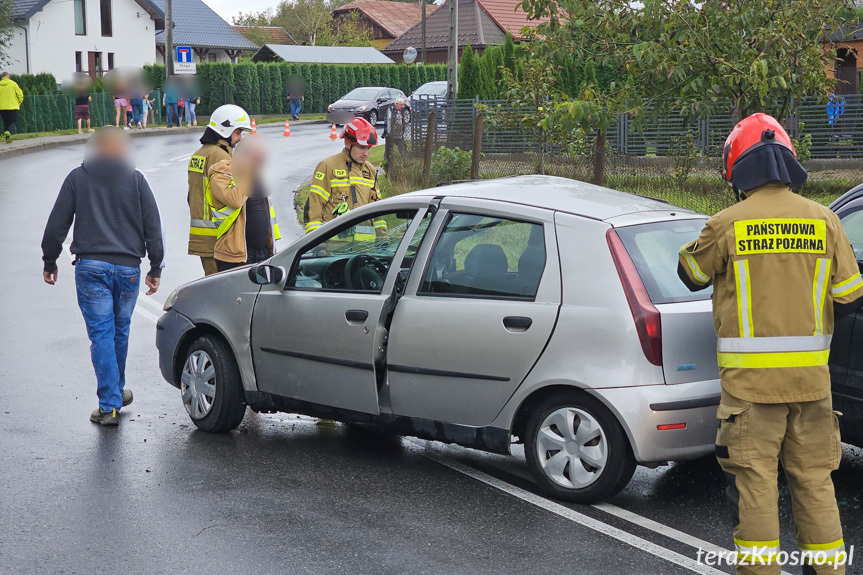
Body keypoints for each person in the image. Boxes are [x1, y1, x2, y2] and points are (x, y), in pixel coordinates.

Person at [677, 113, 863, 575]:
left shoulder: (726, 224)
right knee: (816, 482)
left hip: (750, 391)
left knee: (756, 484)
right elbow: (848, 296)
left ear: (737, 169)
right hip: (812, 387)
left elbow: (692, 275)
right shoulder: (825, 221)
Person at [41, 127, 165, 426]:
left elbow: (57, 223)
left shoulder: (78, 178)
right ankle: (115, 393)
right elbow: (153, 227)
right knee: (119, 331)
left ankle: (109, 403)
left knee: (101, 336)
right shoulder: (136, 180)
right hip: (128, 270)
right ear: (124, 150)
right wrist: (155, 267)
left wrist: (50, 260)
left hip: (91, 268)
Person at [187, 104, 252, 276]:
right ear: (226, 130)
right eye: (238, 132)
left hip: (202, 234)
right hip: (219, 235)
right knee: (221, 292)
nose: (240, 138)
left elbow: (191, 196)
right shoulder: (221, 157)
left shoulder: (199, 153)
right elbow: (233, 197)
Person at [303, 117, 387, 237]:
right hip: (334, 250)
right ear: (347, 143)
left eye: (369, 148)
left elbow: (377, 210)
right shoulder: (328, 167)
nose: (366, 153)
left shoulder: (370, 170)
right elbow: (314, 208)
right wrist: (315, 245)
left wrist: (382, 242)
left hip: (364, 250)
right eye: (361, 147)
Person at [208, 137, 280, 272]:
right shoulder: (221, 176)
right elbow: (235, 200)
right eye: (257, 158)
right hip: (235, 256)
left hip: (262, 253)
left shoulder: (256, 175)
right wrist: (247, 169)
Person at [0, 71, 24, 143]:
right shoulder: (13, 84)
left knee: (6, 122)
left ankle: (7, 138)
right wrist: (18, 103)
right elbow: (20, 95)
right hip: (12, 106)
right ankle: (9, 132)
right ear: (8, 76)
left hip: (2, 107)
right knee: (12, 122)